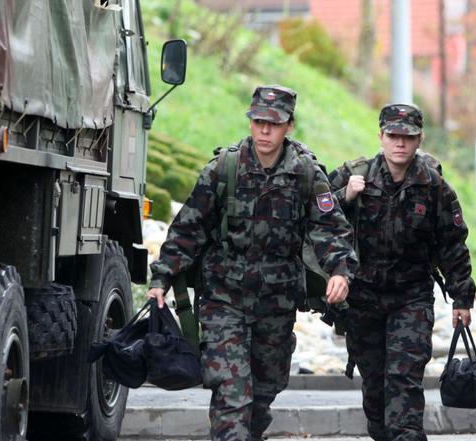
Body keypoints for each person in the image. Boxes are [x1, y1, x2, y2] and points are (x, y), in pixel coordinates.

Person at [147, 85, 358, 441]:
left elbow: (330, 228)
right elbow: (188, 228)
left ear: (289, 125)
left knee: (261, 395)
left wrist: (340, 270)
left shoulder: (306, 173)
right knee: (231, 394)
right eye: (258, 121)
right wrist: (161, 279)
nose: (264, 130)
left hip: (276, 304)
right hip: (224, 298)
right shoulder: (224, 168)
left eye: (273, 124)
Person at [328, 103, 476, 441]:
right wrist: (344, 196)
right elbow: (316, 215)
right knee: (375, 386)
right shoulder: (355, 174)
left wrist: (462, 298)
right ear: (380, 136)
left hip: (411, 298)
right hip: (363, 300)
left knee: (404, 379)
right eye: (393, 135)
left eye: (408, 137)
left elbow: (452, 244)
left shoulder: (434, 186)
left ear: (419, 139)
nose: (400, 143)